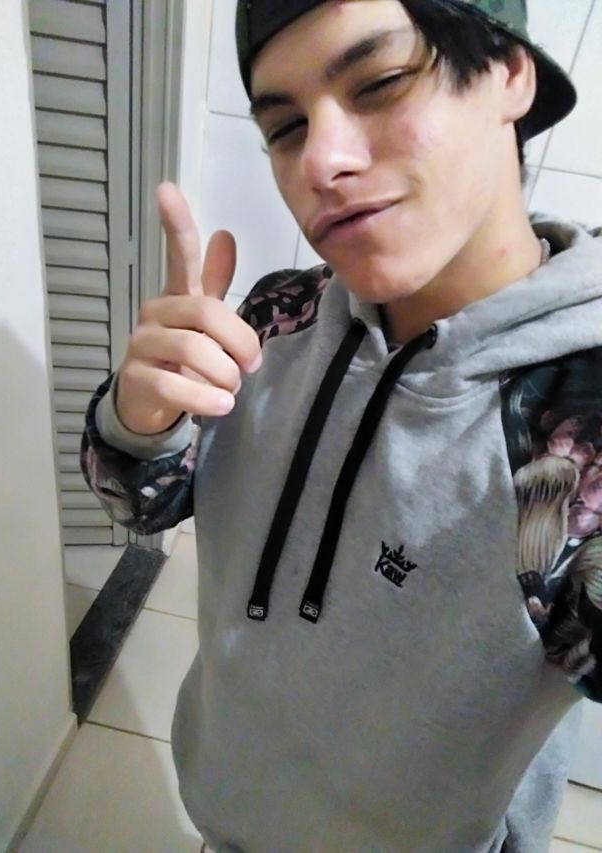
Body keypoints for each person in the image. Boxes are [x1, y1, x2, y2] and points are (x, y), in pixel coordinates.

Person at [81, 1, 602, 850]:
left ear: (511, 76)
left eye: (381, 82)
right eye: (285, 127)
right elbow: (142, 505)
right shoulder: (275, 316)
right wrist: (141, 419)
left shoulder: (576, 432)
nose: (320, 162)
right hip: (225, 809)